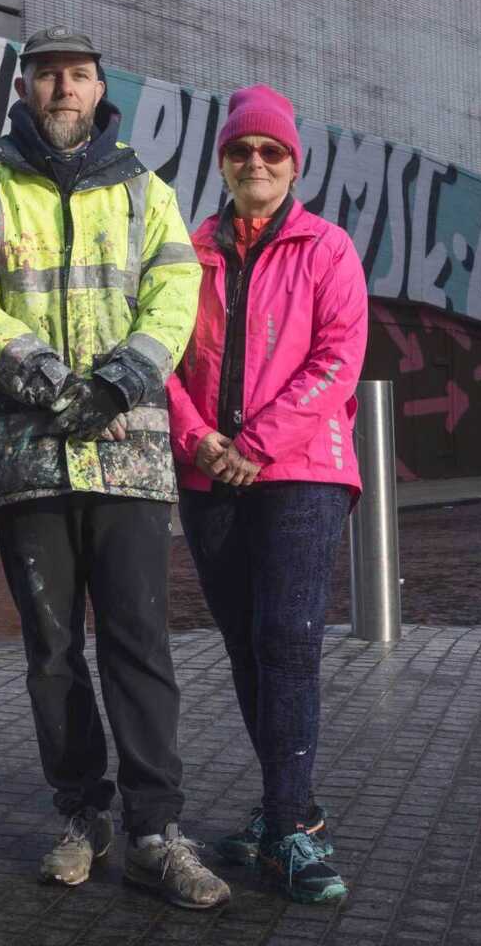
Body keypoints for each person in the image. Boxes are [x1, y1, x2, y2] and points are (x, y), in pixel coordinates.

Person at [0, 27, 229, 909]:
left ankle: (155, 830)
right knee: (52, 651)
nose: (64, 88)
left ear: (101, 91)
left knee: (139, 643)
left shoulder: (147, 193)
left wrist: (118, 381)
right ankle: (81, 813)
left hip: (129, 458)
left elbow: (175, 296)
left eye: (79, 76)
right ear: (24, 89)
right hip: (29, 460)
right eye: (48, 75)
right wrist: (55, 381)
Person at [166, 85, 368, 904]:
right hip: (208, 471)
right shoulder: (186, 250)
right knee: (248, 644)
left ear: (293, 164)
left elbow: (337, 359)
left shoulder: (327, 248)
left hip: (302, 471)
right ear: (222, 161)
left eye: (271, 150)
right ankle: (290, 809)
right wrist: (197, 439)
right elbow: (162, 355)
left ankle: (291, 827)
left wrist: (253, 445)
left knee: (287, 640)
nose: (256, 161)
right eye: (241, 149)